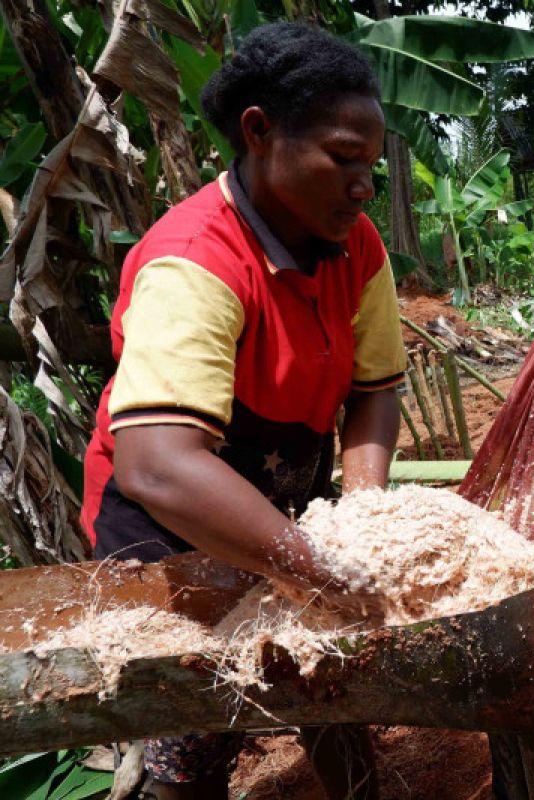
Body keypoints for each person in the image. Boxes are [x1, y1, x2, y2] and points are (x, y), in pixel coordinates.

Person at [80, 22, 404, 800]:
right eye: (343, 158)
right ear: (260, 132)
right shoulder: (194, 262)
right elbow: (158, 465)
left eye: (372, 164)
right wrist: (317, 569)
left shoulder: (354, 249)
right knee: (195, 722)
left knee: (329, 686)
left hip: (284, 507)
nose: (364, 185)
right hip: (166, 530)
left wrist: (360, 519)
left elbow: (373, 390)